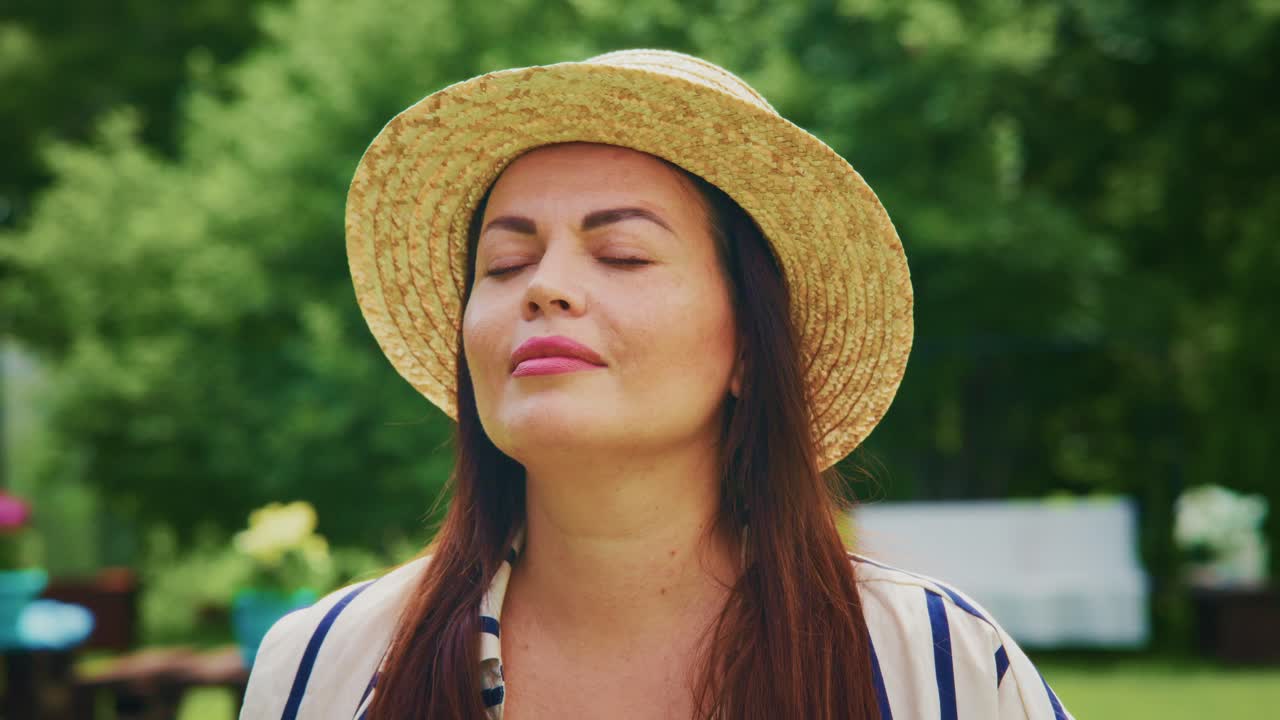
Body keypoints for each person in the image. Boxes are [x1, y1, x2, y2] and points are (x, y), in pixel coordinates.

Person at [240, 49, 1075, 720]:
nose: (544, 286)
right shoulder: (322, 667)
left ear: (749, 345)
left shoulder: (933, 663)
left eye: (622, 254)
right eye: (505, 262)